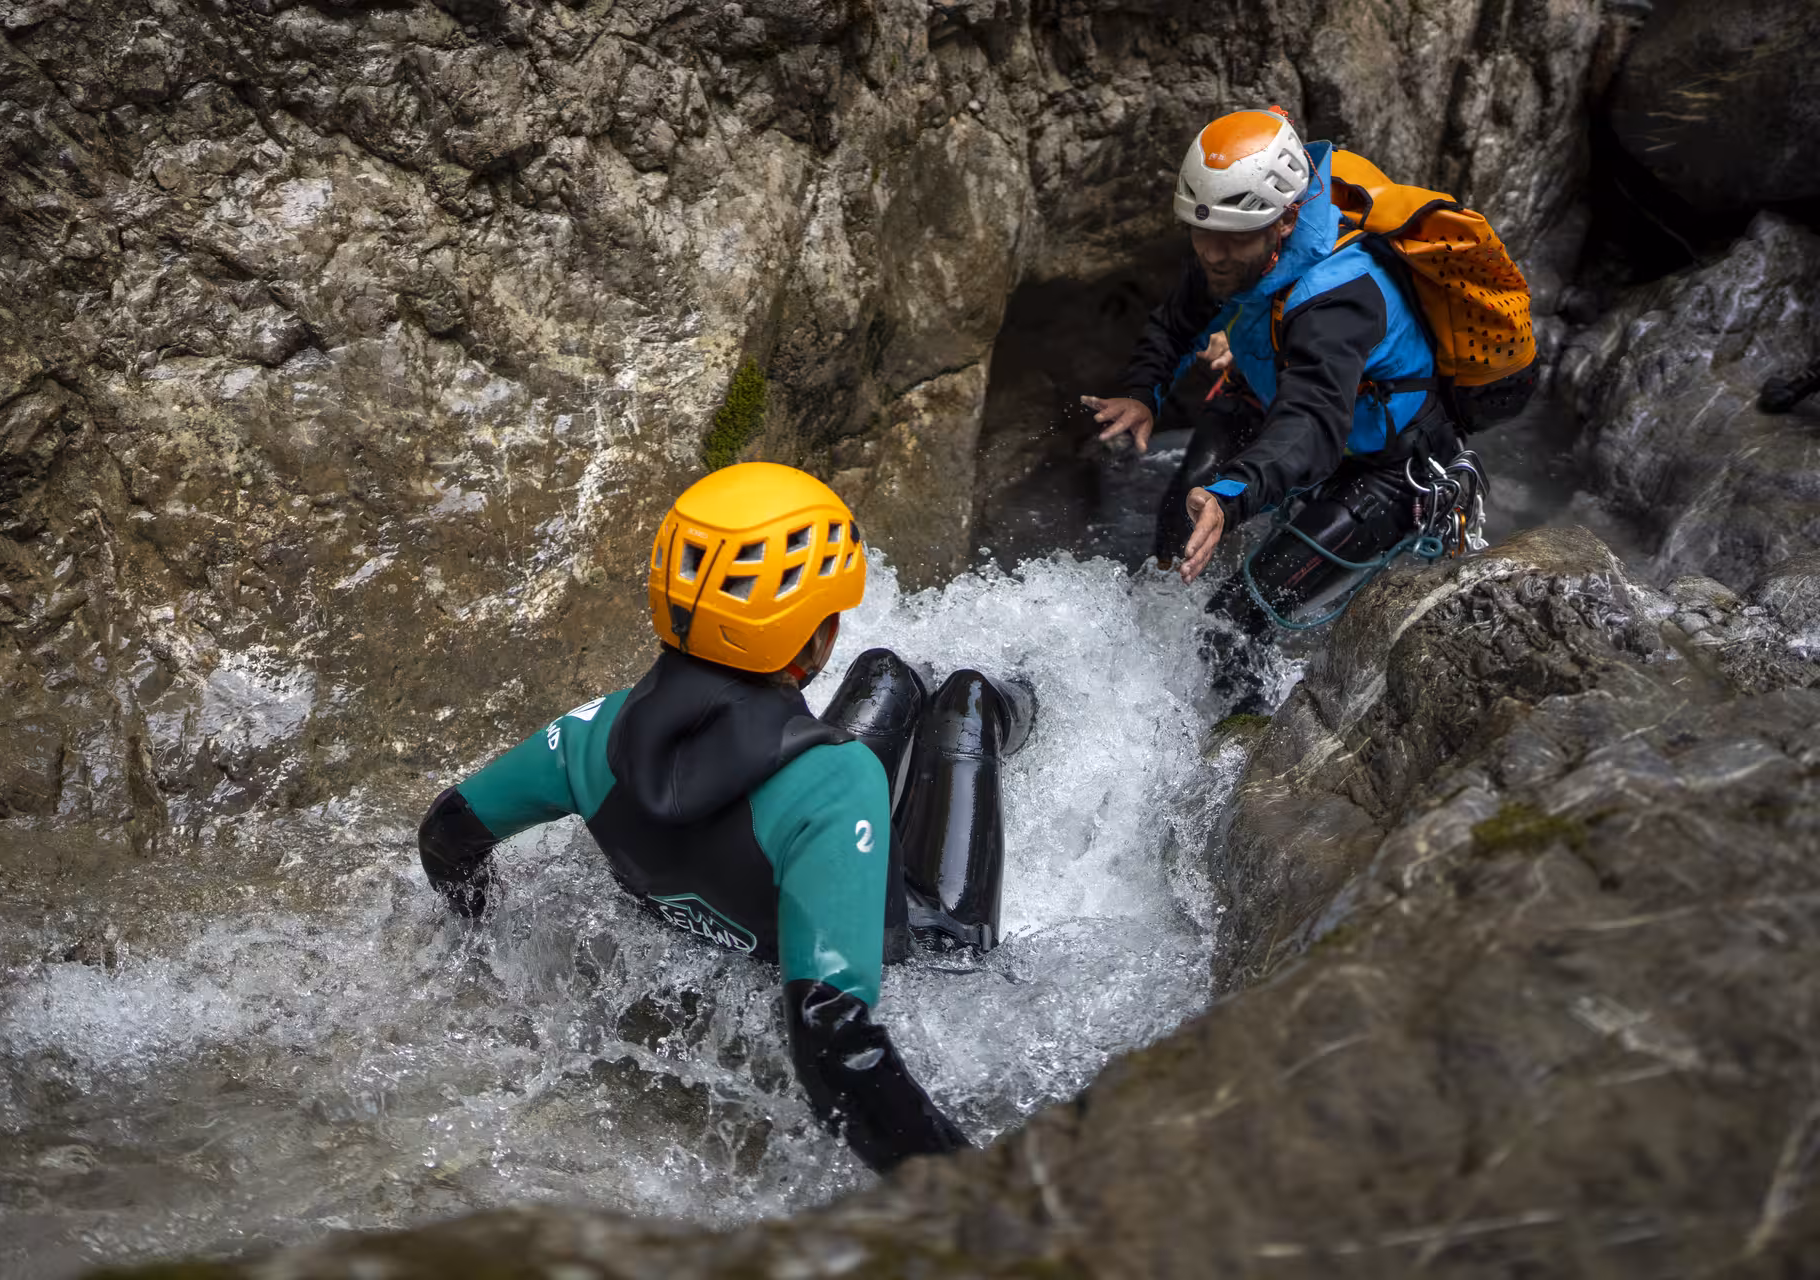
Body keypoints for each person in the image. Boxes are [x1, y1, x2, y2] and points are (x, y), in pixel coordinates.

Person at [414, 461, 1032, 1173]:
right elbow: (831, 1043)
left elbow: (446, 835)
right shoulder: (837, 782)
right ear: (815, 643)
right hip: (931, 952)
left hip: (735, 894)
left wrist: (487, 943)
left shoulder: (592, 733)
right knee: (967, 704)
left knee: (887, 672)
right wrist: (975, 1197)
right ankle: (1025, 701)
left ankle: (940, 688)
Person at [1080, 106, 1468, 625]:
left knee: (1239, 616)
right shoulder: (1234, 241)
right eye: (1203, 233)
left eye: (1233, 237)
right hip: (1273, 395)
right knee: (1183, 509)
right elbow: (1177, 323)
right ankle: (1154, 618)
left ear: (1286, 219)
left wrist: (1233, 495)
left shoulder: (1337, 299)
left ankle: (1237, 697)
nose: (1213, 255)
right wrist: (1142, 391)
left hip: (1387, 464)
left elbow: (1311, 425)